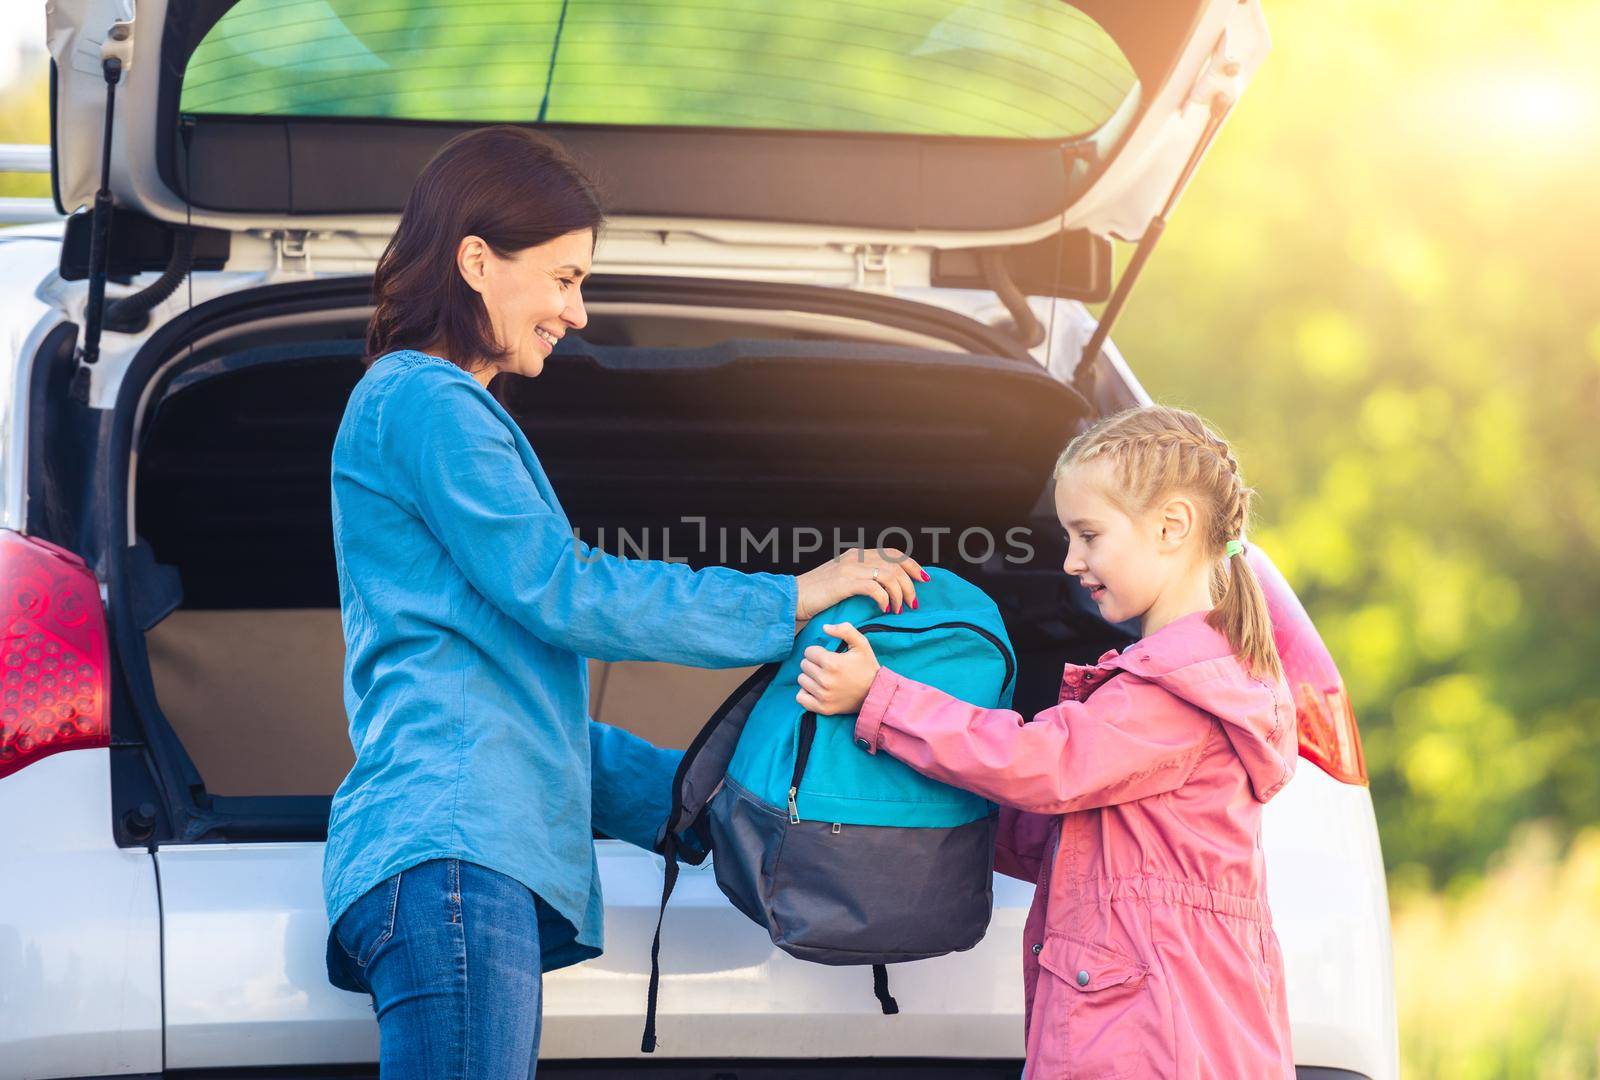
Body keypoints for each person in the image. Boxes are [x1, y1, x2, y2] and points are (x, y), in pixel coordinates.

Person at [323, 125, 927, 1078]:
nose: (580, 311)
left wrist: (720, 804)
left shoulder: (426, 408)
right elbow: (566, 590)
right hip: (452, 864)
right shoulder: (427, 401)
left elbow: (540, 729)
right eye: (564, 278)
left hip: (457, 859)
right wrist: (792, 598)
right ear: (477, 261)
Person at [798, 405, 1297, 1079]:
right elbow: (1077, 840)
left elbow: (1042, 764)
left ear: (1172, 527)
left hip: (1150, 1044)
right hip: (1165, 1031)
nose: (1070, 561)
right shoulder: (1198, 679)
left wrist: (883, 699)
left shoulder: (1172, 692)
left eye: (1089, 535)